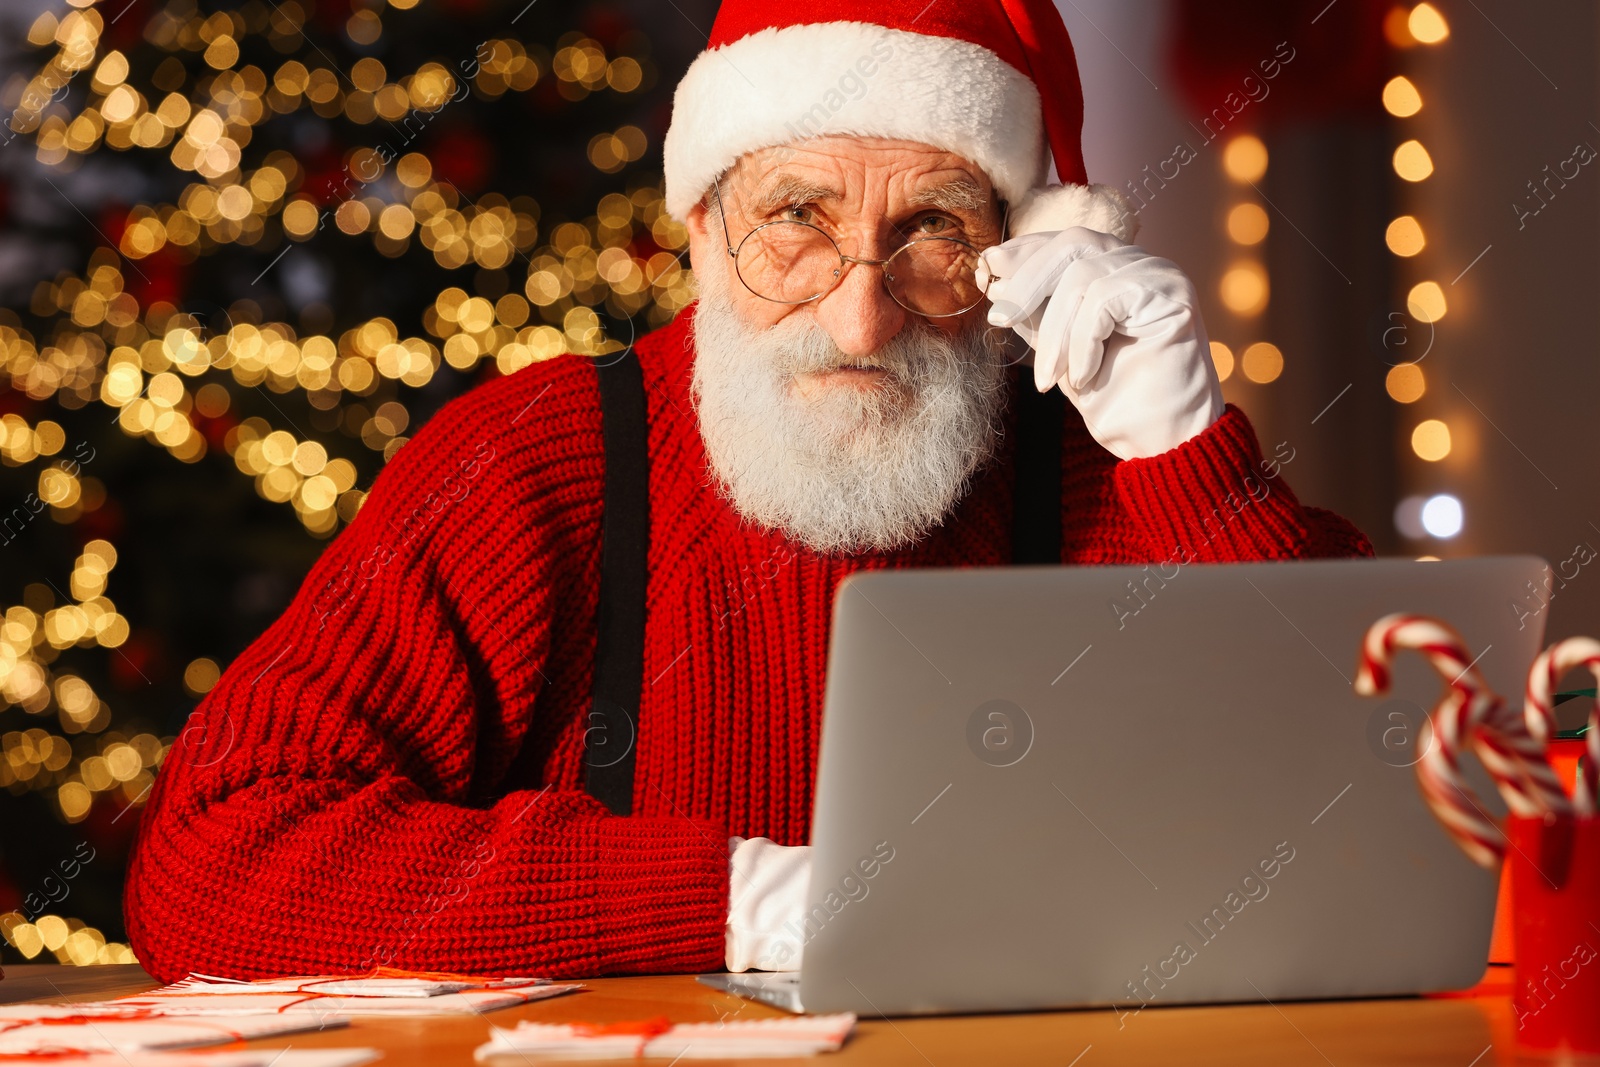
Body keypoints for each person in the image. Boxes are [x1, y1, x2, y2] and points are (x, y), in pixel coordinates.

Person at [125, 0, 1373, 982]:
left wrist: (1183, 451)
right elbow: (212, 856)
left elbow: (1376, 810)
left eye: (934, 228)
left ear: (1015, 249)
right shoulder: (530, 462)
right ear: (702, 229)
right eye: (796, 218)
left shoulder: (1106, 461)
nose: (859, 310)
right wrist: (751, 899)